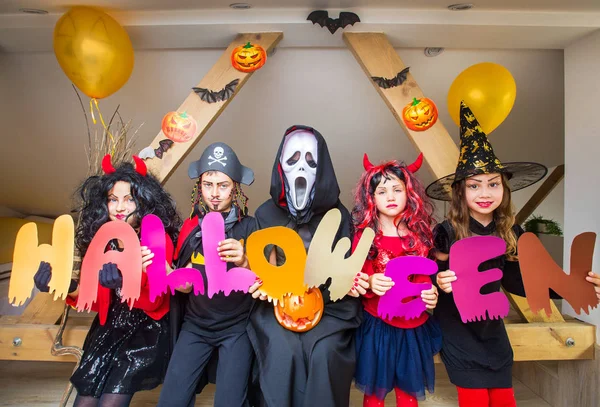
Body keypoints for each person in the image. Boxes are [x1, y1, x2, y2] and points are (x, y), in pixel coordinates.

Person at [426, 101, 549, 407]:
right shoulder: (446, 231)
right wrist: (440, 280)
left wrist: (568, 284)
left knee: (505, 398)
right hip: (457, 328)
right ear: (461, 192)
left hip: (492, 329)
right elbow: (430, 274)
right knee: (476, 399)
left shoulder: (511, 232)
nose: (484, 193)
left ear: (504, 189)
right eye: (475, 186)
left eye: (493, 185)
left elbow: (518, 283)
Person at [34, 155, 181, 407]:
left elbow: (158, 302)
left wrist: (126, 284)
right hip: (108, 329)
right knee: (84, 402)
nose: (120, 207)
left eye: (129, 199)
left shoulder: (156, 239)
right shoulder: (103, 241)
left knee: (110, 403)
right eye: (113, 199)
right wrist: (63, 285)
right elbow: (93, 300)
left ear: (144, 201)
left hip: (146, 330)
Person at [247, 125, 369, 407]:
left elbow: (345, 267)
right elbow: (264, 266)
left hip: (330, 308)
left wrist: (352, 282)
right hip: (279, 305)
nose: (301, 167)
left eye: (311, 161)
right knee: (281, 351)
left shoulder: (338, 214)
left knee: (324, 353)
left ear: (322, 169)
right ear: (281, 167)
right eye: (293, 160)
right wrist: (263, 283)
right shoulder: (265, 213)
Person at [157, 142, 257, 407]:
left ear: (235, 187)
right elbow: (186, 288)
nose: (214, 193)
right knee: (171, 401)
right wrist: (170, 275)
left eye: (222, 185)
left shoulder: (251, 227)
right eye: (207, 184)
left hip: (237, 327)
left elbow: (266, 283)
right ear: (198, 186)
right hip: (196, 325)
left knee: (230, 402)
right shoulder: (191, 228)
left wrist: (246, 261)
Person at [351, 154, 442, 407]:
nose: (390, 197)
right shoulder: (364, 236)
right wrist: (368, 282)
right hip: (377, 324)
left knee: (408, 393)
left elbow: (425, 279)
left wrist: (431, 294)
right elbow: (353, 276)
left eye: (396, 189)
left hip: (412, 326)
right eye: (382, 191)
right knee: (374, 394)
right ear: (371, 197)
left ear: (408, 193)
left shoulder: (420, 234)